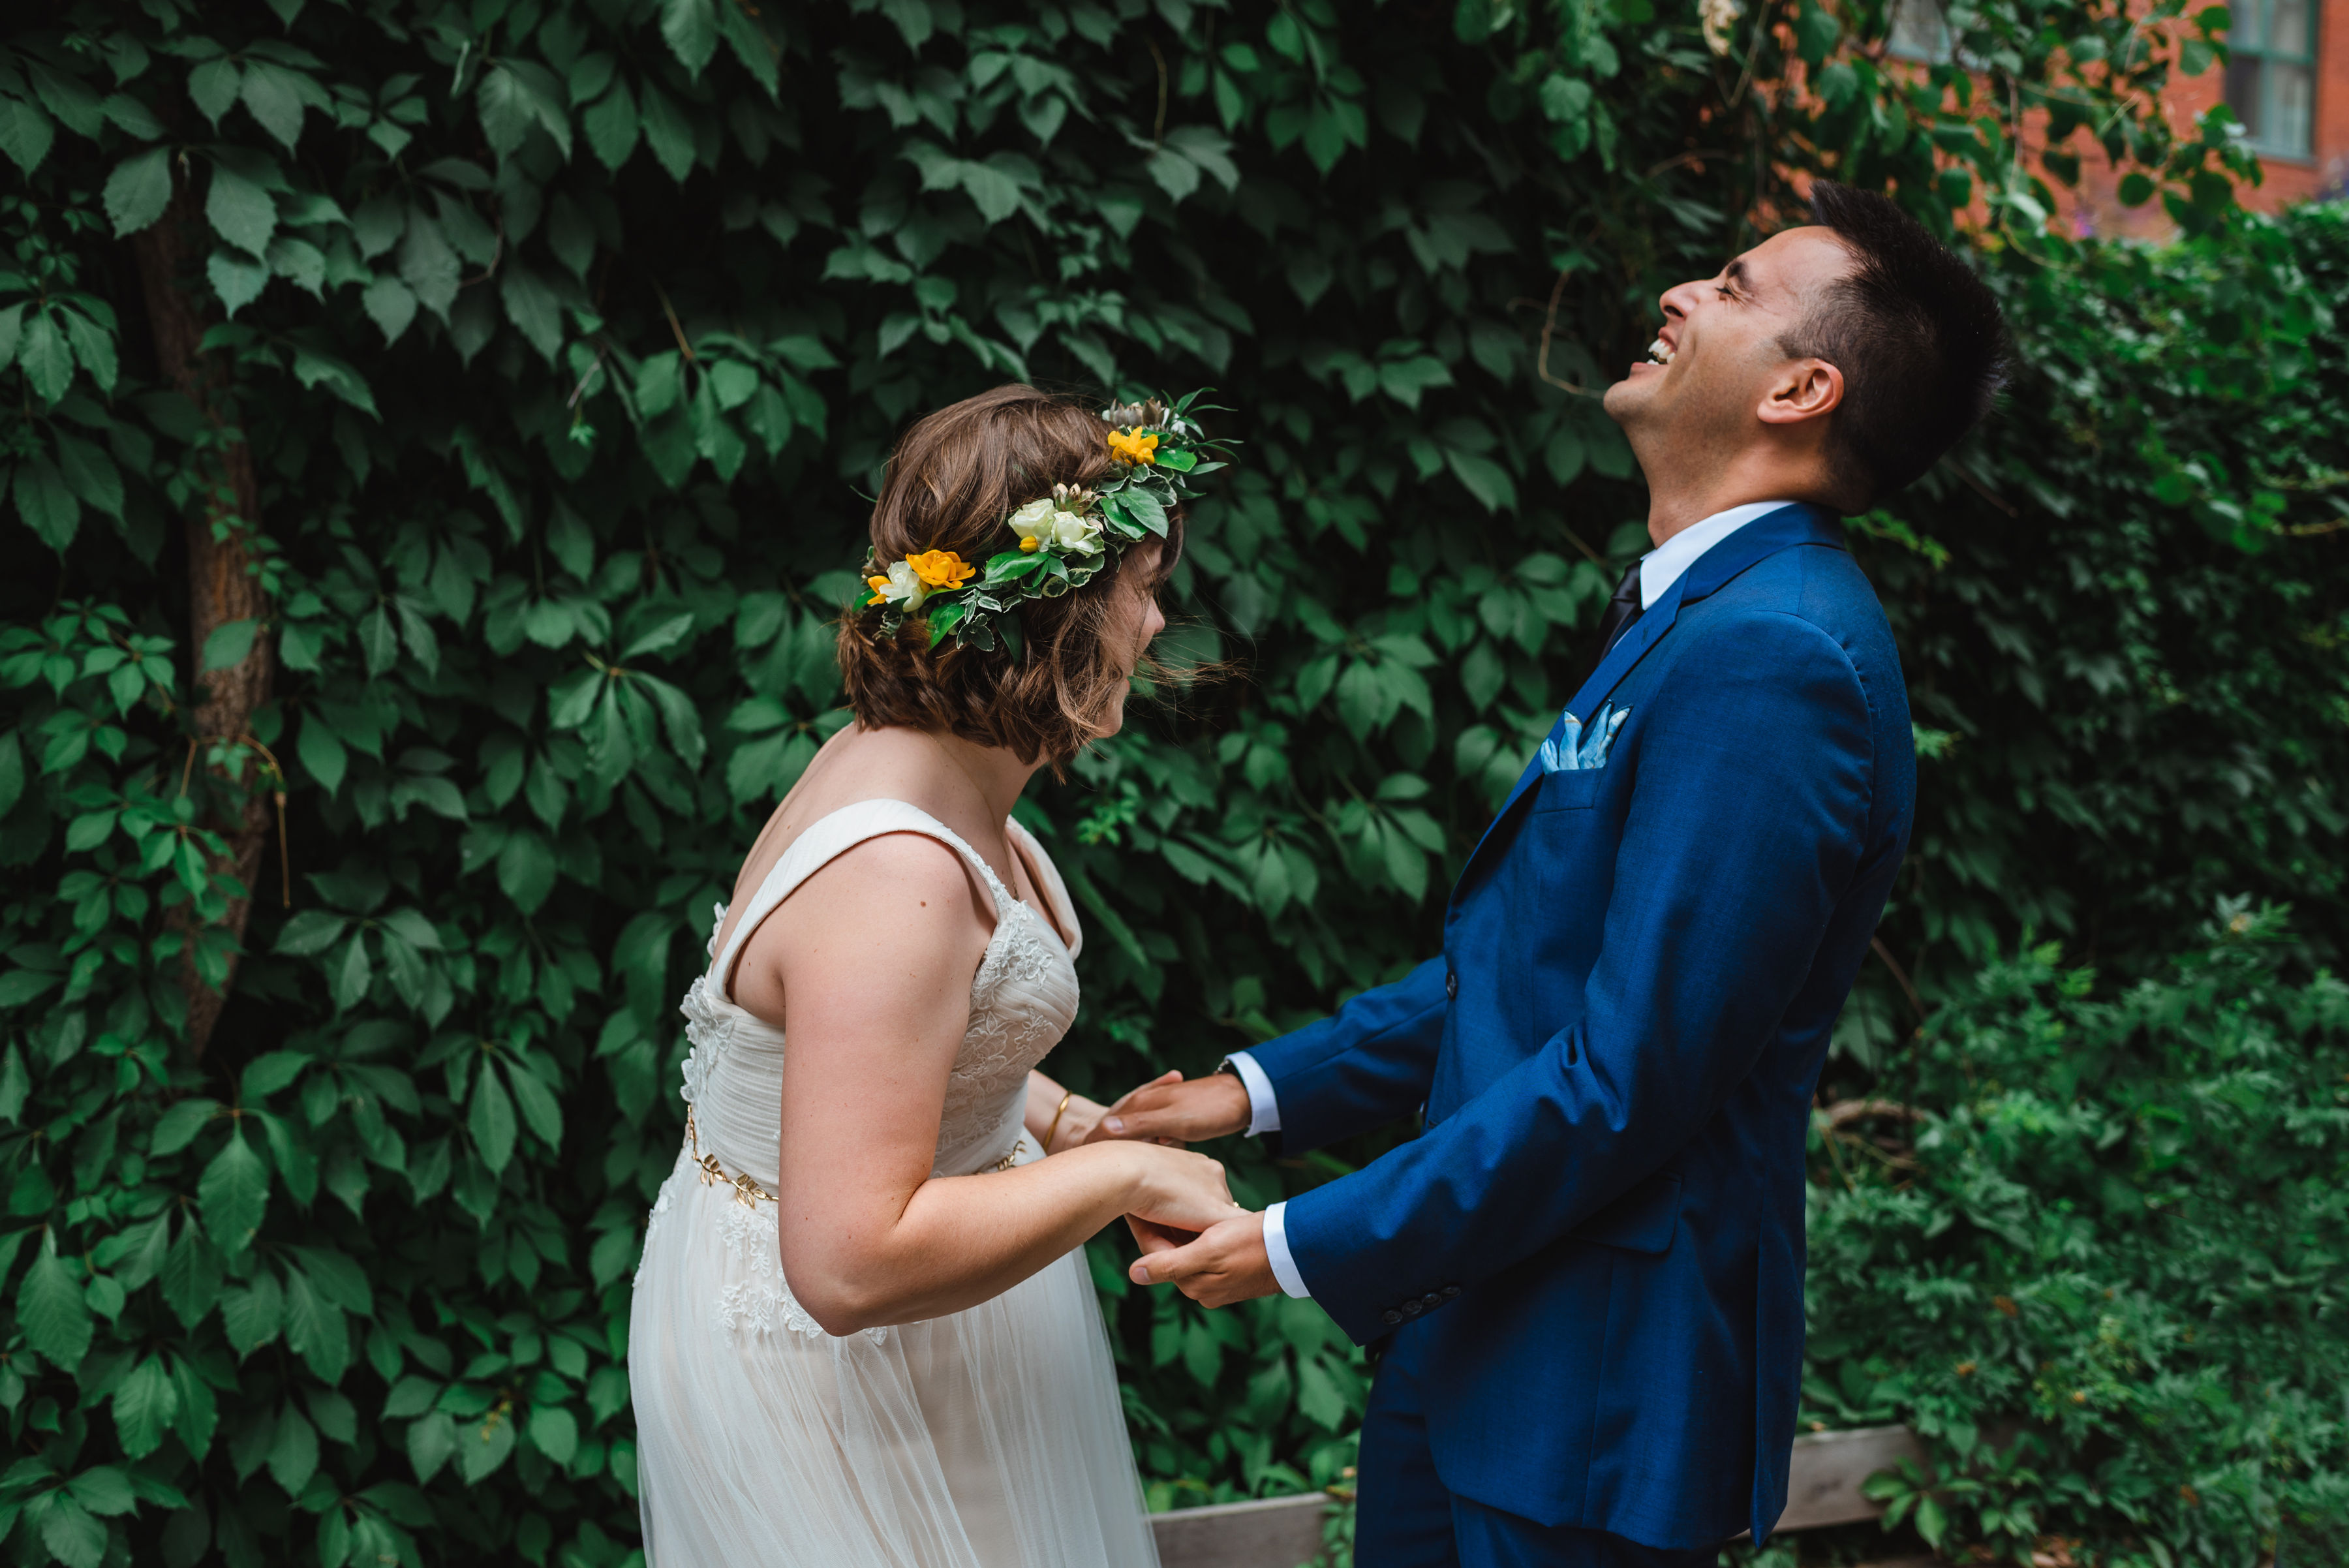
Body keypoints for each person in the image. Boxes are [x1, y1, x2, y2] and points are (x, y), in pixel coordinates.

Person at [1092, 183, 2008, 1565]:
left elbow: (1629, 1070)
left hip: (1593, 1398)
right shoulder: (1695, 615)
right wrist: (1253, 1089)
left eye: (1735, 285)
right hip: (1475, 1347)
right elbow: (1525, 968)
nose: (1682, 297)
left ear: (1804, 388)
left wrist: (1298, 1240)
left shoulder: (1779, 656)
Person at [628, 384, 1234, 1567]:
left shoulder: (932, 762)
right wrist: (1127, 1172)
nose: (1156, 625)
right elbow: (850, 1260)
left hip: (943, 1333)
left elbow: (918, 1063)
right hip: (843, 1365)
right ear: (1055, 602)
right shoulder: (895, 876)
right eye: (1142, 588)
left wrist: (1072, 1119)